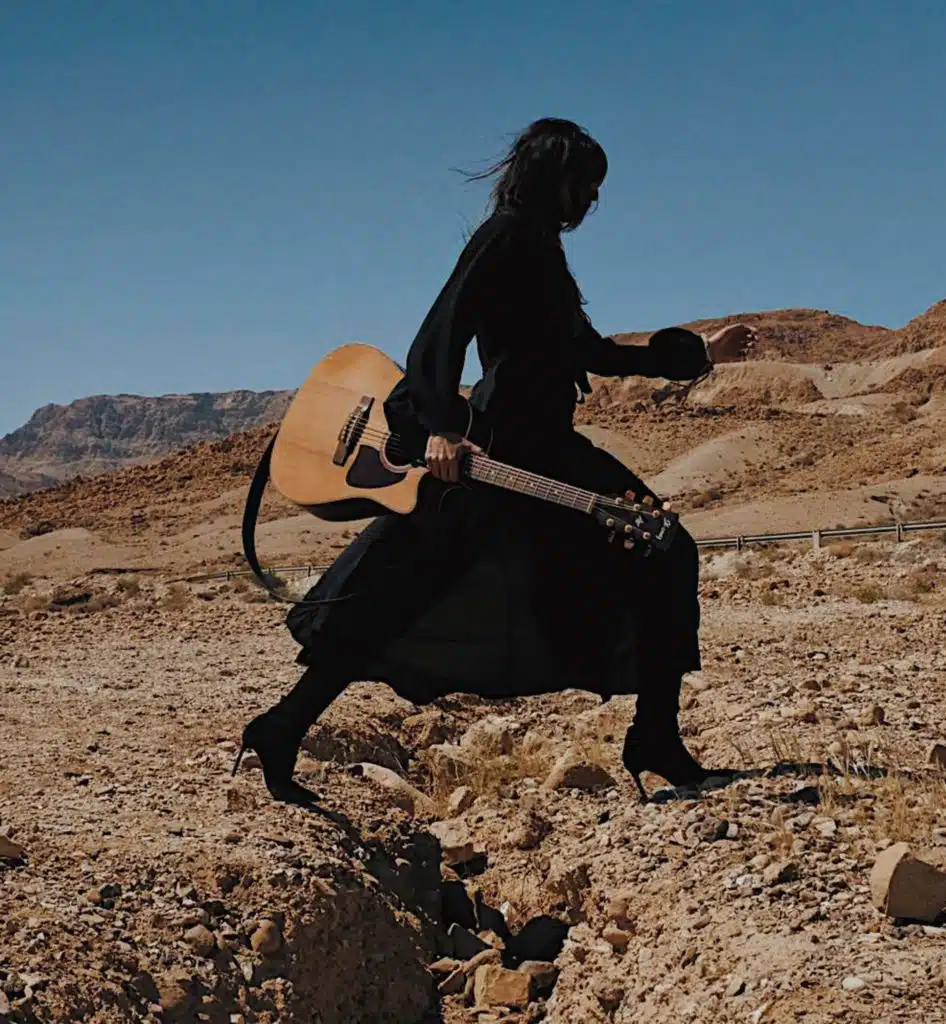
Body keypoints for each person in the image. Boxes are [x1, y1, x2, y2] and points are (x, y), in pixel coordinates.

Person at [235, 117, 757, 806]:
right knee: (404, 589)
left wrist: (698, 355)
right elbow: (440, 333)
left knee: (643, 552)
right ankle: (653, 740)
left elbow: (588, 352)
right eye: (585, 184)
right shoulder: (505, 236)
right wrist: (442, 430)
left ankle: (282, 728)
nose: (592, 200)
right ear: (553, 177)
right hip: (498, 450)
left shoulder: (541, 249)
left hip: (542, 447)